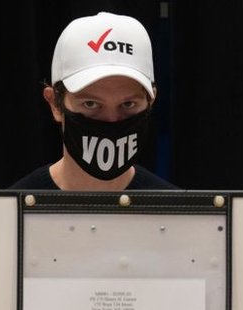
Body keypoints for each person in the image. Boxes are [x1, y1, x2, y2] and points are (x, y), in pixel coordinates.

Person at [10, 12, 179, 191]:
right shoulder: (7, 213)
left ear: (151, 102)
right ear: (55, 104)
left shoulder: (181, 214)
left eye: (128, 104)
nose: (111, 121)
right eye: (91, 104)